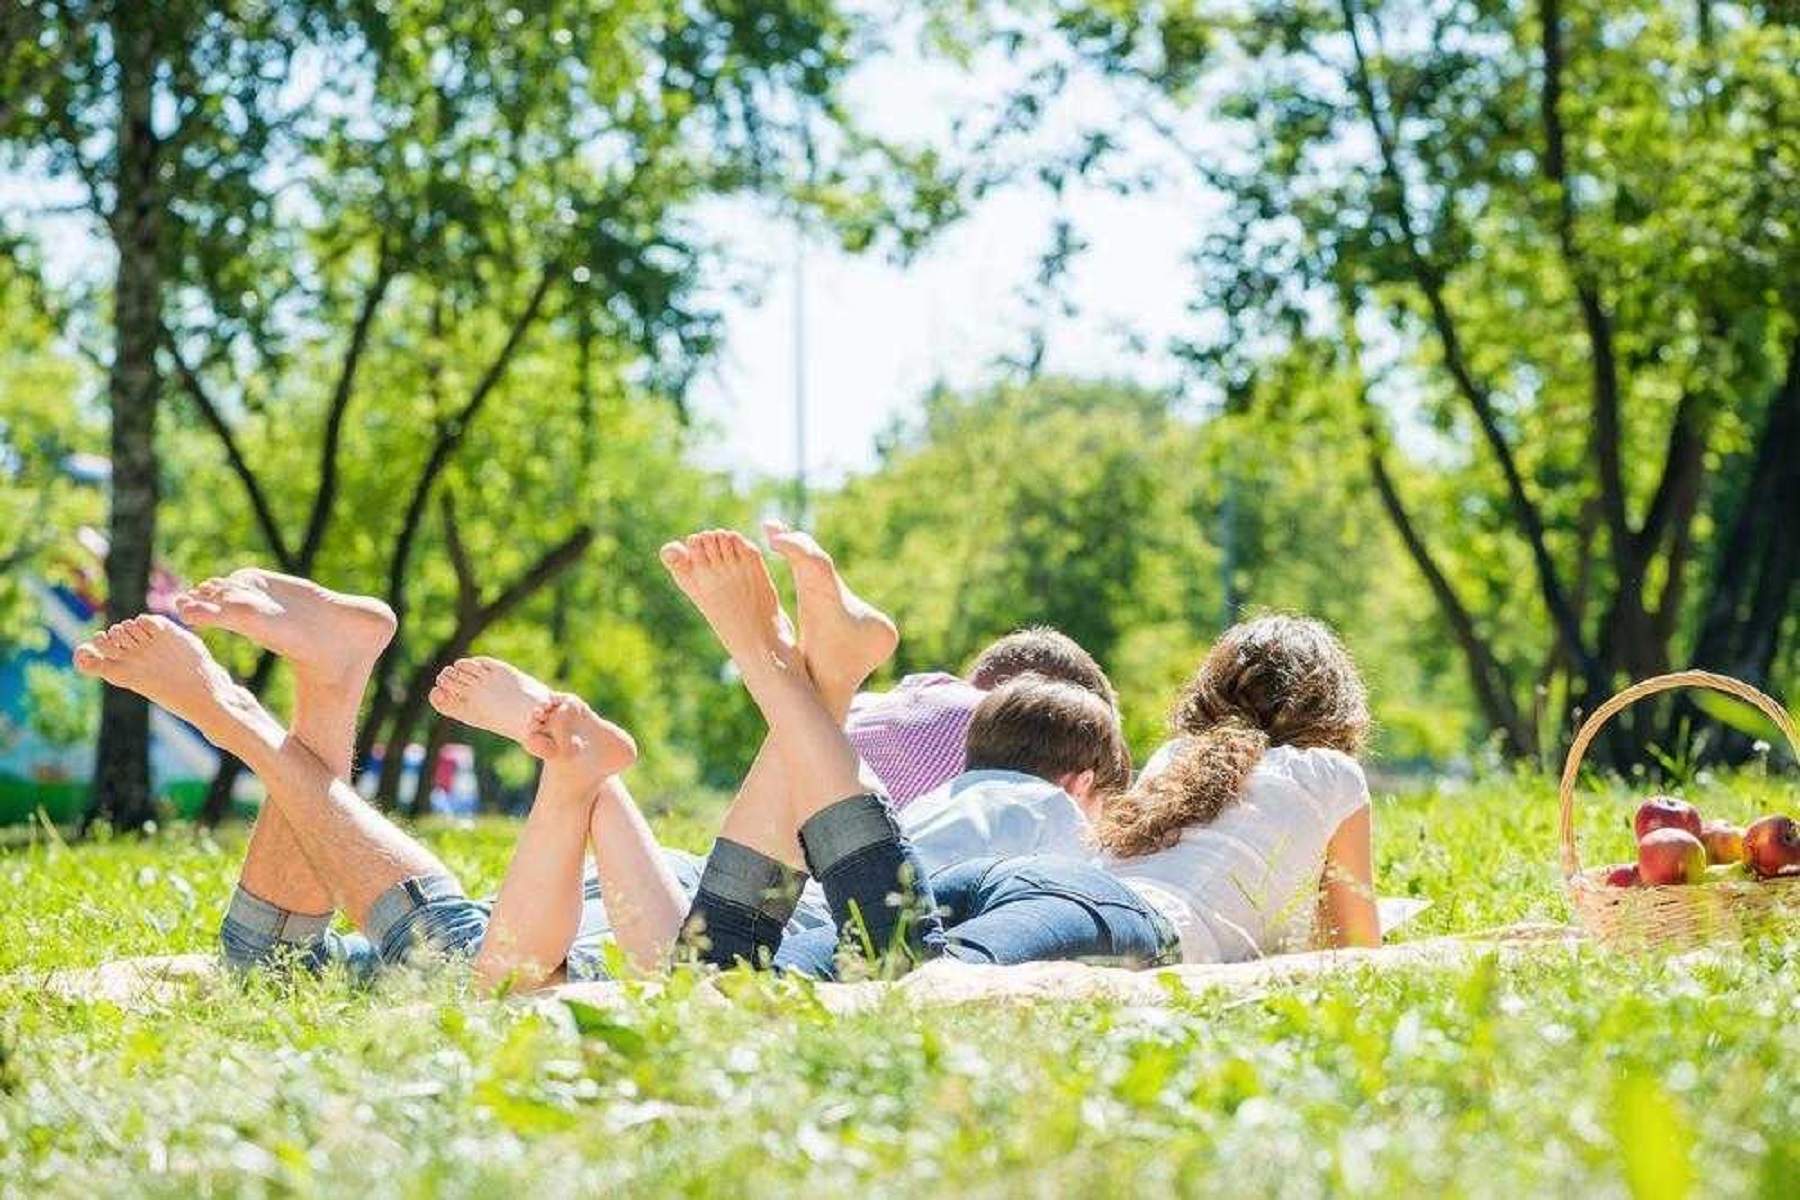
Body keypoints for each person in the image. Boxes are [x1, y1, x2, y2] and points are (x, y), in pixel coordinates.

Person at [648, 531, 1379, 979]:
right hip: (1107, 912)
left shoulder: (1177, 764)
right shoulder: (1331, 776)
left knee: (726, 974)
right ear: (1332, 712)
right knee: (916, 975)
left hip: (1022, 883)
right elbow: (1355, 952)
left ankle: (821, 678)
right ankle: (794, 674)